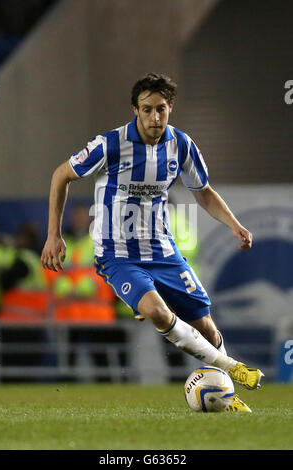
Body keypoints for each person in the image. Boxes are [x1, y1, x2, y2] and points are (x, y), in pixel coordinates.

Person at [41, 73, 264, 411]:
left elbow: (202, 191)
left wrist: (234, 224)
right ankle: (233, 367)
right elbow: (61, 175)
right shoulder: (110, 144)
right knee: (156, 312)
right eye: (147, 110)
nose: (154, 117)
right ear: (136, 110)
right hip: (117, 255)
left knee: (207, 327)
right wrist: (53, 235)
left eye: (161, 109)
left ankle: (225, 395)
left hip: (162, 250)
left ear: (170, 107)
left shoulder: (182, 145)